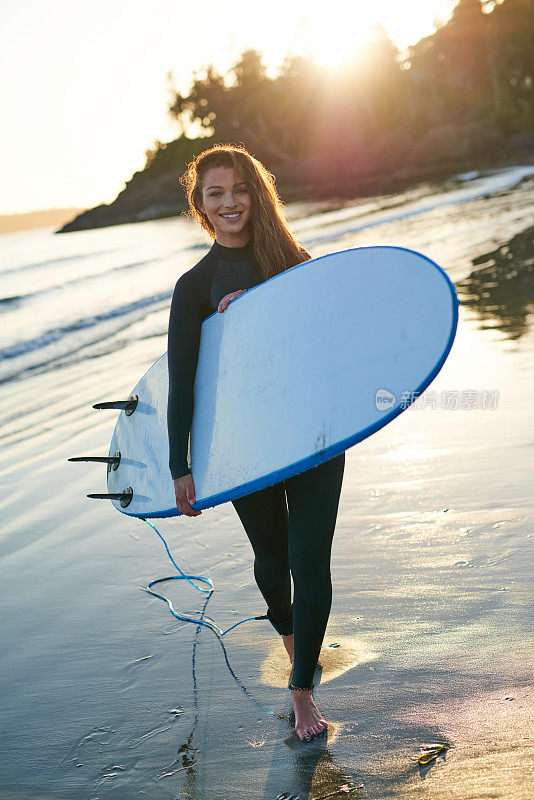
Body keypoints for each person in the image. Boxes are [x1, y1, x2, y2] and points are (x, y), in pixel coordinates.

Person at [167, 144, 345, 743]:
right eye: (215, 193)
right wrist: (179, 465)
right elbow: (184, 379)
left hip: (313, 431)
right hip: (247, 443)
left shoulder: (293, 260)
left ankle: (301, 692)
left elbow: (331, 344)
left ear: (257, 194)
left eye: (239, 189)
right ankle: (297, 643)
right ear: (201, 206)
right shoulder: (195, 286)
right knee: (272, 563)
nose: (229, 202)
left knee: (309, 559)